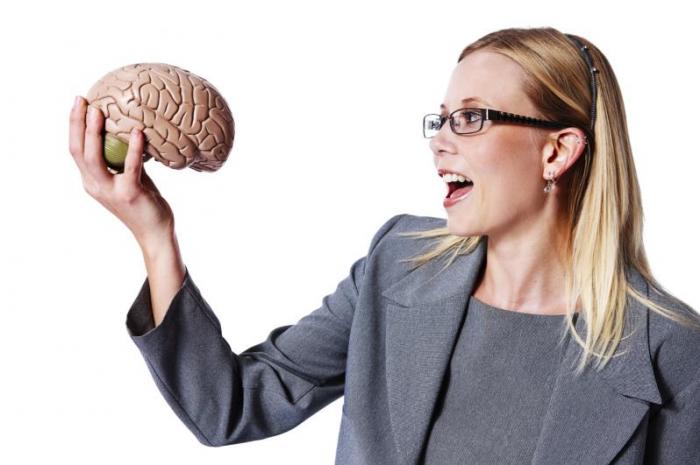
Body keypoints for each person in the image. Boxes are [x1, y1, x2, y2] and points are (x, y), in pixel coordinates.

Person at [68, 26, 700, 465]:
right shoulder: (397, 267)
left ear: (557, 151)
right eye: (441, 119)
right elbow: (228, 407)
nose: (440, 141)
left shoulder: (671, 352)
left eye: (472, 118)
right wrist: (155, 233)